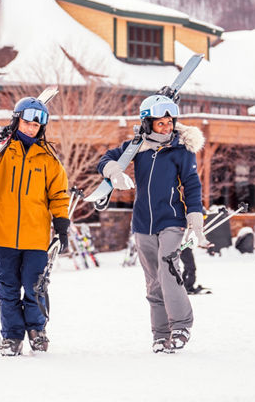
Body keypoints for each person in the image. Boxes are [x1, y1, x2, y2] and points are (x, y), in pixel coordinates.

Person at [96, 94, 206, 354]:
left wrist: (195, 219)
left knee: (168, 270)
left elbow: (191, 185)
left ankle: (181, 325)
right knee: (153, 281)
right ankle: (160, 334)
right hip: (143, 223)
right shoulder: (137, 148)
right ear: (148, 124)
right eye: (161, 124)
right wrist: (115, 173)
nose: (167, 127)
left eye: (170, 122)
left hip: (172, 221)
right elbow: (105, 159)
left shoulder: (181, 149)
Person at [0, 97, 69, 356]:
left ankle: (37, 331)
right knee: (7, 288)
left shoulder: (49, 159)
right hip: (4, 234)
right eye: (27, 123)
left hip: (36, 236)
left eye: (36, 126)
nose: (31, 129)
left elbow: (59, 194)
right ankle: (12, 336)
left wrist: (61, 225)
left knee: (35, 286)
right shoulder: (3, 151)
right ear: (17, 120)